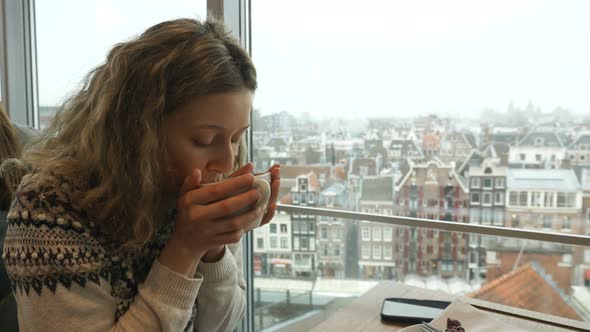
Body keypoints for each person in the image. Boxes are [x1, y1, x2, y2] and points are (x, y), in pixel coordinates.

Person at [1, 18, 280, 332]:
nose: (227, 162)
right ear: (139, 132)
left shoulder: (191, 190)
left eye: (235, 138)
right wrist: (186, 249)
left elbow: (219, 325)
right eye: (204, 140)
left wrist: (214, 248)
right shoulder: (47, 210)